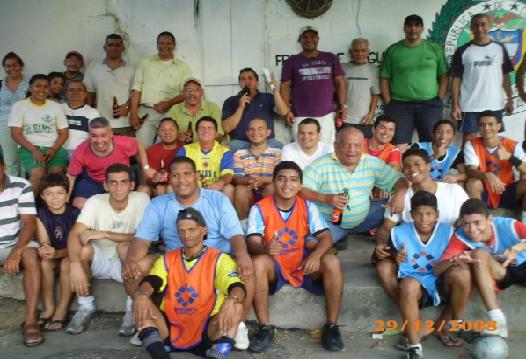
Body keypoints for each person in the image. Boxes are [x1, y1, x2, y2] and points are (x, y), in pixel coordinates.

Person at [123, 157, 254, 350]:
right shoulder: (159, 204)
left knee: (247, 270)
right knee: (133, 267)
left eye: (186, 174)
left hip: (214, 262)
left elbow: (235, 234)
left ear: (196, 176)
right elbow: (142, 239)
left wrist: (243, 256)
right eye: (175, 175)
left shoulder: (217, 199)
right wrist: (132, 260)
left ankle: (238, 324)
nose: (181, 180)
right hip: (174, 262)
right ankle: (144, 320)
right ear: (169, 178)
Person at [247, 161, 344, 353]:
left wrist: (316, 255)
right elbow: (251, 242)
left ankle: (331, 326)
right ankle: (265, 327)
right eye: (281, 179)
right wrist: (265, 248)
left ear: (300, 185)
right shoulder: (259, 208)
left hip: (301, 261)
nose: (286, 184)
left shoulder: (308, 207)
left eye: (293, 180)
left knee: (331, 261)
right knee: (258, 263)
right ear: (273, 183)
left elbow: (326, 237)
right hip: (274, 264)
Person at [133, 207, 246, 359]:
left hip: (206, 328)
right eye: (181, 231)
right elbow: (152, 281)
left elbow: (236, 287)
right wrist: (142, 295)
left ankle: (216, 353)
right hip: (170, 326)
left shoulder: (219, 258)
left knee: (236, 306)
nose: (186, 235)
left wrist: (231, 299)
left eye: (191, 229)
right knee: (140, 300)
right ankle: (160, 355)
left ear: (203, 230)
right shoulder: (168, 258)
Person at [66, 164, 150, 336]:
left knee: (125, 247)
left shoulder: (141, 199)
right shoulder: (95, 201)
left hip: (124, 264)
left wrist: (105, 234)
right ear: (105, 185)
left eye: (123, 182)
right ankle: (86, 306)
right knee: (82, 251)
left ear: (131, 185)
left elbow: (143, 237)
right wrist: (74, 264)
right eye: (113, 182)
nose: (118, 187)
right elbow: (76, 232)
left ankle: (131, 307)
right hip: (101, 262)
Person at [301, 127, 407, 250]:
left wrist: (399, 196)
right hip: (331, 223)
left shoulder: (370, 162)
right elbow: (301, 189)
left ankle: (384, 249)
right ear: (336, 146)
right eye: (347, 145)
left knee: (401, 203)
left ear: (363, 147)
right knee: (311, 244)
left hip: (364, 217)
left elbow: (400, 180)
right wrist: (325, 198)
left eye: (357, 146)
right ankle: (337, 240)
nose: (352, 150)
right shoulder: (321, 164)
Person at [437, 198, 526, 338]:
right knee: (478, 255)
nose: (472, 229)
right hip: (502, 272)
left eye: (477, 223)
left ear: (489, 219)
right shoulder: (461, 236)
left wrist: (518, 247)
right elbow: (438, 269)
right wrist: (456, 259)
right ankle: (498, 320)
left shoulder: (507, 225)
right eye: (466, 224)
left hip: (523, 263)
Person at [386, 191, 454, 359]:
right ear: (411, 214)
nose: (424, 219)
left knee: (466, 274)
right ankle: (414, 346)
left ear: (437, 214)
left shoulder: (448, 231)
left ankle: (445, 324)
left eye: (429, 214)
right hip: (414, 282)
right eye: (419, 214)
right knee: (408, 285)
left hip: (440, 281)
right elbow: (380, 256)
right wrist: (395, 256)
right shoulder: (399, 232)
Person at [375, 148, 468, 261]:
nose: (412, 169)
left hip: (451, 251)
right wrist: (380, 244)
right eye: (407, 166)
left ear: (429, 166)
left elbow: (471, 217)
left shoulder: (454, 191)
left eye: (417, 164)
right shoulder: (399, 198)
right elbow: (386, 228)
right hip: (417, 256)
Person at [380, 14, 448, 152]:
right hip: (400, 105)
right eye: (409, 25)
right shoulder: (393, 50)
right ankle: (397, 173)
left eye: (417, 25)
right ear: (404, 28)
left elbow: (444, 75)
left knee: (432, 143)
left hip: (429, 104)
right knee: (398, 145)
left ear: (422, 28)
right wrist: (388, 102)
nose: (413, 29)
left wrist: (439, 97)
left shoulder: (434, 48)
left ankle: (431, 174)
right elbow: (384, 77)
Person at [67, 117, 155, 209]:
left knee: (144, 192)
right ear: (90, 136)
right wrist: (65, 204)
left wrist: (146, 167)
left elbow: (138, 144)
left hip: (120, 181)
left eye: (103, 135)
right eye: (94, 136)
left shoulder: (123, 143)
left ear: (111, 134)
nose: (99, 140)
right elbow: (71, 177)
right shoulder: (81, 150)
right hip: (94, 182)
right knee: (79, 204)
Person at [0, 151, 42, 346]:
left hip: (15, 243)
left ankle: (31, 321)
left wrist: (16, 252)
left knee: (31, 255)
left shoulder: (20, 185)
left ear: (3, 168)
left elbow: (29, 223)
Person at [450, 13, 514, 140]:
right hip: (470, 105)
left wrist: (510, 99)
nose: (479, 29)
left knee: (492, 142)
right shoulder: (462, 51)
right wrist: (455, 105)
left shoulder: (499, 48)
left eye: (483, 25)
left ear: (489, 26)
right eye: (475, 25)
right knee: (469, 142)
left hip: (495, 104)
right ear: (471, 29)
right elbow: (456, 79)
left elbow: (505, 76)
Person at [281, 26, 346, 144]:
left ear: (318, 38)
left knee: (327, 150)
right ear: (300, 40)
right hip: (300, 115)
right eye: (305, 37)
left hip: (326, 115)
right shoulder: (291, 61)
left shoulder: (330, 58)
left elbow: (340, 83)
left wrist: (342, 106)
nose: (309, 40)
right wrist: (286, 111)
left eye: (313, 36)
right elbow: (285, 87)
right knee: (301, 150)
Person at [9, 74, 69, 194]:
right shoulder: (19, 106)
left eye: (46, 87)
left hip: (54, 148)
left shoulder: (56, 107)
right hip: (30, 147)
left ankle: (50, 209)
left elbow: (64, 133)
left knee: (56, 177)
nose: (42, 90)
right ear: (30, 87)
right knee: (38, 175)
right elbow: (15, 134)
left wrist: (53, 149)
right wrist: (34, 150)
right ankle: (28, 208)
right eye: (38, 86)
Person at [129, 31, 192, 147]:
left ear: (174, 45)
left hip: (169, 114)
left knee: (167, 148)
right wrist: (133, 113)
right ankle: (146, 166)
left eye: (168, 43)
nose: (165, 46)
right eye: (161, 43)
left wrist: (169, 103)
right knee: (143, 149)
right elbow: (137, 89)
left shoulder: (182, 67)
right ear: (157, 44)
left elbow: (186, 93)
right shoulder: (145, 63)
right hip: (146, 113)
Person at [36, 173, 80, 331]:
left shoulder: (75, 214)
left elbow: (77, 247)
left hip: (71, 253)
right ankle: (48, 307)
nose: (55, 198)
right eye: (49, 194)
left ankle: (62, 309)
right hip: (54, 252)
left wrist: (58, 254)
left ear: (67, 194)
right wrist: (46, 249)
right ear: (42, 196)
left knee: (67, 263)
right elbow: (44, 240)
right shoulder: (40, 214)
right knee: (45, 263)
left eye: (59, 193)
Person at [464, 111, 526, 221]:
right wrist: (487, 175)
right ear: (478, 127)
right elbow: (470, 171)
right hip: (485, 192)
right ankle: (479, 221)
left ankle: (524, 227)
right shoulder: (472, 144)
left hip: (506, 191)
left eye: (491, 124)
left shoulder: (513, 145)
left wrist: (510, 157)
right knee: (472, 183)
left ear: (499, 126)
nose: (486, 128)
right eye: (482, 124)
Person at [222, 67, 288, 152]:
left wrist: (275, 90)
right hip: (240, 143)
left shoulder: (267, 97)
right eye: (243, 79)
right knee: (228, 151)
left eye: (250, 78)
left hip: (267, 143)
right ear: (239, 83)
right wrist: (240, 107)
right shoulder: (231, 101)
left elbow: (284, 112)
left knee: (285, 152)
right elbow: (227, 128)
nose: (247, 81)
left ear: (257, 82)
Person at [85, 33, 136, 136]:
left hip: (123, 123)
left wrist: (127, 108)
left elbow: (136, 94)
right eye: (110, 45)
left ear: (123, 48)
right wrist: (88, 117)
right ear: (105, 47)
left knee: (124, 151)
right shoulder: (94, 66)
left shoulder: (132, 69)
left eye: (117, 45)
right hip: (99, 123)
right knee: (100, 151)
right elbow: (89, 93)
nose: (114, 48)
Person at [233, 118, 281, 220]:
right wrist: (250, 180)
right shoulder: (239, 153)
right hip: (248, 190)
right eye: (251, 129)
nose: (255, 132)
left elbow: (280, 177)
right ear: (247, 133)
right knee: (240, 189)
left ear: (268, 132)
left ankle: (268, 223)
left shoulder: (277, 152)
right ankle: (244, 225)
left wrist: (261, 180)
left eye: (260, 129)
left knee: (272, 187)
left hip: (268, 190)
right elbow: (236, 178)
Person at [176, 116, 234, 201]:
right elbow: (177, 171)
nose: (206, 131)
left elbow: (228, 174)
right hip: (191, 187)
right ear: (196, 132)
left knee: (229, 188)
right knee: (172, 187)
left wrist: (220, 183)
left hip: (215, 188)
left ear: (216, 133)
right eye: (202, 128)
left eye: (210, 128)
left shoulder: (225, 151)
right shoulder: (185, 149)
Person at [342, 38, 380, 138]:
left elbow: (375, 94)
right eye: (356, 50)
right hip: (346, 119)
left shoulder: (374, 69)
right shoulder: (342, 68)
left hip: (365, 120)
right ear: (351, 52)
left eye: (363, 50)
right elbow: (338, 91)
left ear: (368, 52)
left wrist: (371, 113)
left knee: (364, 149)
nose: (360, 54)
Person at [168, 77, 223, 143]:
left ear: (202, 92)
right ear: (183, 93)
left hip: (207, 148)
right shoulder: (175, 109)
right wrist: (177, 136)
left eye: (196, 90)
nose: (192, 93)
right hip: (183, 148)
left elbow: (219, 135)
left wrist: (205, 141)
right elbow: (168, 133)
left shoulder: (212, 107)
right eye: (188, 90)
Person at [0, 52, 29, 176]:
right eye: (8, 66)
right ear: (4, 68)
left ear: (21, 66)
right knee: (10, 160)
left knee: (24, 161)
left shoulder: (30, 84)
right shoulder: (0, 85)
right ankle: (11, 191)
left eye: (15, 65)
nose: (11, 68)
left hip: (25, 125)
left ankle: (24, 192)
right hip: (5, 125)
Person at [363, 115, 401, 202]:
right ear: (373, 129)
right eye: (383, 128)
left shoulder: (393, 149)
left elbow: (394, 167)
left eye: (391, 129)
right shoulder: (359, 143)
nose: (386, 132)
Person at [145, 118, 183, 195]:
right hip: (157, 188)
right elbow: (148, 179)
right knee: (146, 189)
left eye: (171, 129)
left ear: (178, 132)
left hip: (179, 186)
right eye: (163, 130)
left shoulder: (185, 148)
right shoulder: (151, 150)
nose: (167, 132)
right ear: (158, 132)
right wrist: (154, 178)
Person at [62, 80, 100, 156]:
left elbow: (97, 135)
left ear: (85, 94)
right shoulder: (57, 109)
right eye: (71, 90)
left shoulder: (93, 113)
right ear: (66, 94)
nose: (75, 92)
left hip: (81, 153)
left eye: (79, 90)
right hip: (58, 151)